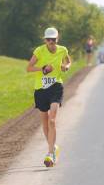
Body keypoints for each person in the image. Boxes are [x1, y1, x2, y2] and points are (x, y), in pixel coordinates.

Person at [26, 27, 71, 168]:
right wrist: (43, 68)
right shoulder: (39, 51)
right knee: (45, 123)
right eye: (48, 39)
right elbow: (29, 68)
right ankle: (53, 147)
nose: (51, 42)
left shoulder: (63, 50)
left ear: (58, 39)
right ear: (45, 40)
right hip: (40, 90)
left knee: (52, 120)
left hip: (56, 87)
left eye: (54, 39)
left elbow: (68, 61)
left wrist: (66, 66)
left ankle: (50, 154)